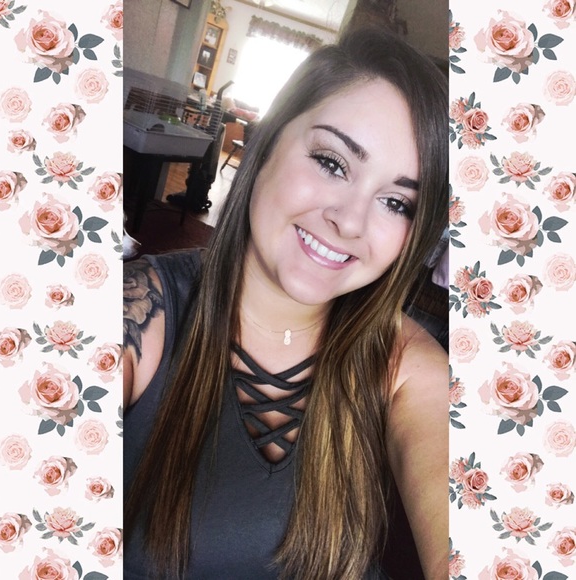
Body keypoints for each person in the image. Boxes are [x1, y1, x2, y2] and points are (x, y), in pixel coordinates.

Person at [123, 23, 447, 580]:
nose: (350, 221)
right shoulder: (139, 314)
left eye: (396, 202)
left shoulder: (406, 365)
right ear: (267, 142)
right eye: (332, 163)